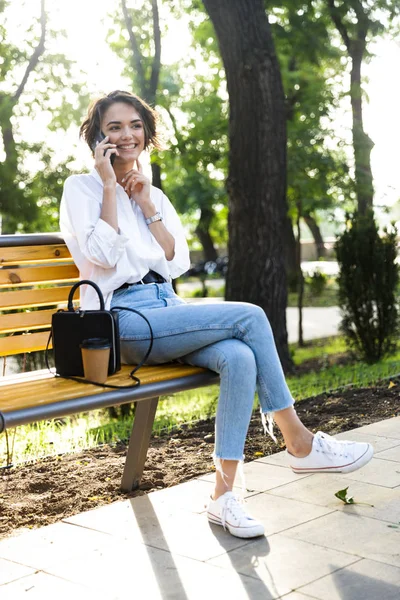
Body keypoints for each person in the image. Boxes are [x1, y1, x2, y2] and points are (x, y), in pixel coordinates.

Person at [60, 90, 373, 540]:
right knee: (250, 316)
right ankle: (299, 441)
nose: (127, 135)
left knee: (239, 358)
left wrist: (146, 204)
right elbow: (102, 257)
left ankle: (223, 497)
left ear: (146, 133)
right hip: (121, 321)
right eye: (114, 127)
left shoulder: (155, 195)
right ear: (98, 138)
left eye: (134, 125)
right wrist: (110, 186)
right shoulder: (82, 188)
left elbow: (172, 261)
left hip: (166, 308)